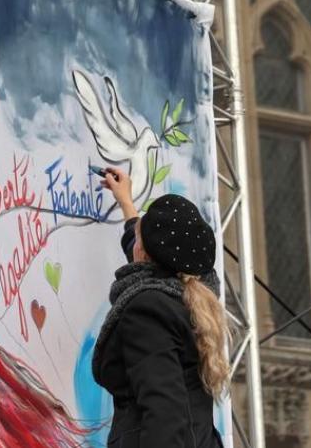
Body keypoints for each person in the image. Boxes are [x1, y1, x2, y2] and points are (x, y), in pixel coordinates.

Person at [92, 167, 228, 448]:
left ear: (145, 254)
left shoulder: (148, 311)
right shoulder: (193, 295)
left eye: (140, 240)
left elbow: (165, 415)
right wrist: (127, 204)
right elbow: (156, 251)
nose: (135, 247)